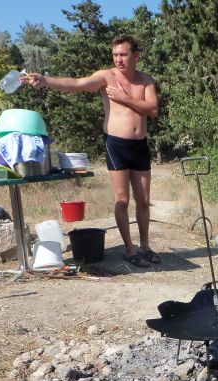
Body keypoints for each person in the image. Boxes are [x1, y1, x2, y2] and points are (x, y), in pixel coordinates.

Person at [23, 35, 160, 268]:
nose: (119, 59)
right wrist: (45, 80)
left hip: (140, 144)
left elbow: (153, 109)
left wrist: (124, 98)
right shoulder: (107, 77)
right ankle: (129, 249)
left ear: (136, 56)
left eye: (124, 54)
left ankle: (145, 246)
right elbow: (77, 84)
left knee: (144, 200)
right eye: (115, 54)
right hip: (116, 144)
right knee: (122, 200)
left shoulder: (145, 80)